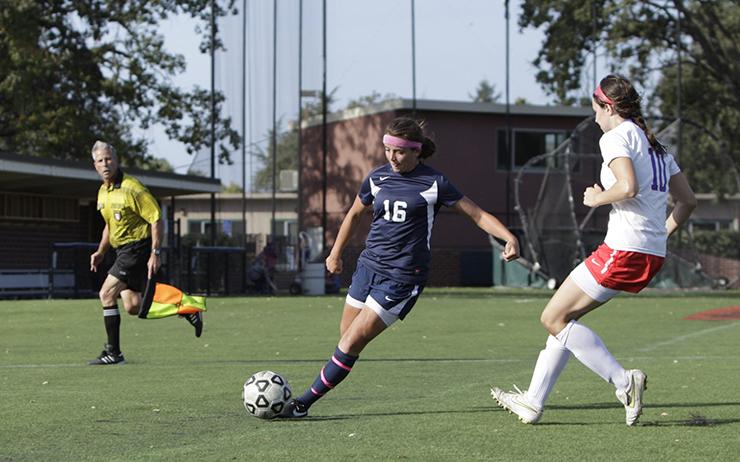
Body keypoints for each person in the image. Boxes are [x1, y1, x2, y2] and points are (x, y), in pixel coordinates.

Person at [279, 117, 520, 418]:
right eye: (387, 150)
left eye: (400, 151)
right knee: (345, 340)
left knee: (351, 342)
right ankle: (317, 389)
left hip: (402, 278)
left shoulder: (435, 183)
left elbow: (478, 215)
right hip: (367, 268)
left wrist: (509, 237)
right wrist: (335, 253)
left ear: (417, 151)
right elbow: (354, 215)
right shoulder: (376, 178)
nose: (392, 157)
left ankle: (302, 403)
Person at [491, 74, 697, 426]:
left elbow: (628, 187)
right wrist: (659, 236)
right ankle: (533, 401)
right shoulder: (658, 147)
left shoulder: (616, 136)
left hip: (624, 248)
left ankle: (623, 382)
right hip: (648, 252)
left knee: (552, 318)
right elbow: (688, 201)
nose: (596, 119)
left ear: (608, 107)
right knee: (563, 319)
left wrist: (597, 197)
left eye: (596, 111)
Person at [88, 141, 204, 365]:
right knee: (132, 306)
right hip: (121, 250)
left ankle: (113, 353)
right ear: (95, 165)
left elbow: (156, 219)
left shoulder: (133, 188)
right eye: (100, 160)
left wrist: (155, 252)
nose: (105, 164)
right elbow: (108, 225)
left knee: (106, 294)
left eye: (109, 159)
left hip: (137, 248)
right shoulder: (103, 192)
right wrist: (101, 251)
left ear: (117, 160)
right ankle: (187, 307)